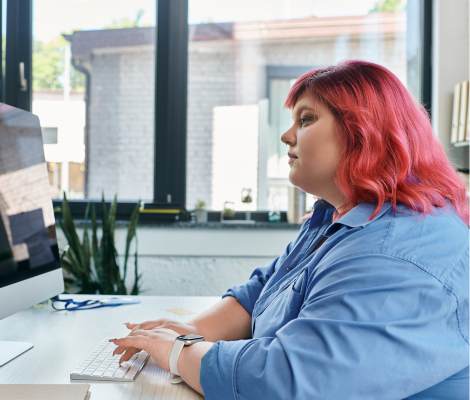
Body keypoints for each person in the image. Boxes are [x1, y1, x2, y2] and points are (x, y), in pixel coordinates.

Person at [111, 60, 470, 399]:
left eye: (306, 119)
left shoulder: (396, 255)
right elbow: (263, 292)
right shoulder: (339, 218)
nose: (286, 136)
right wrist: (192, 330)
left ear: (363, 133)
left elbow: (284, 383)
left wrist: (177, 353)